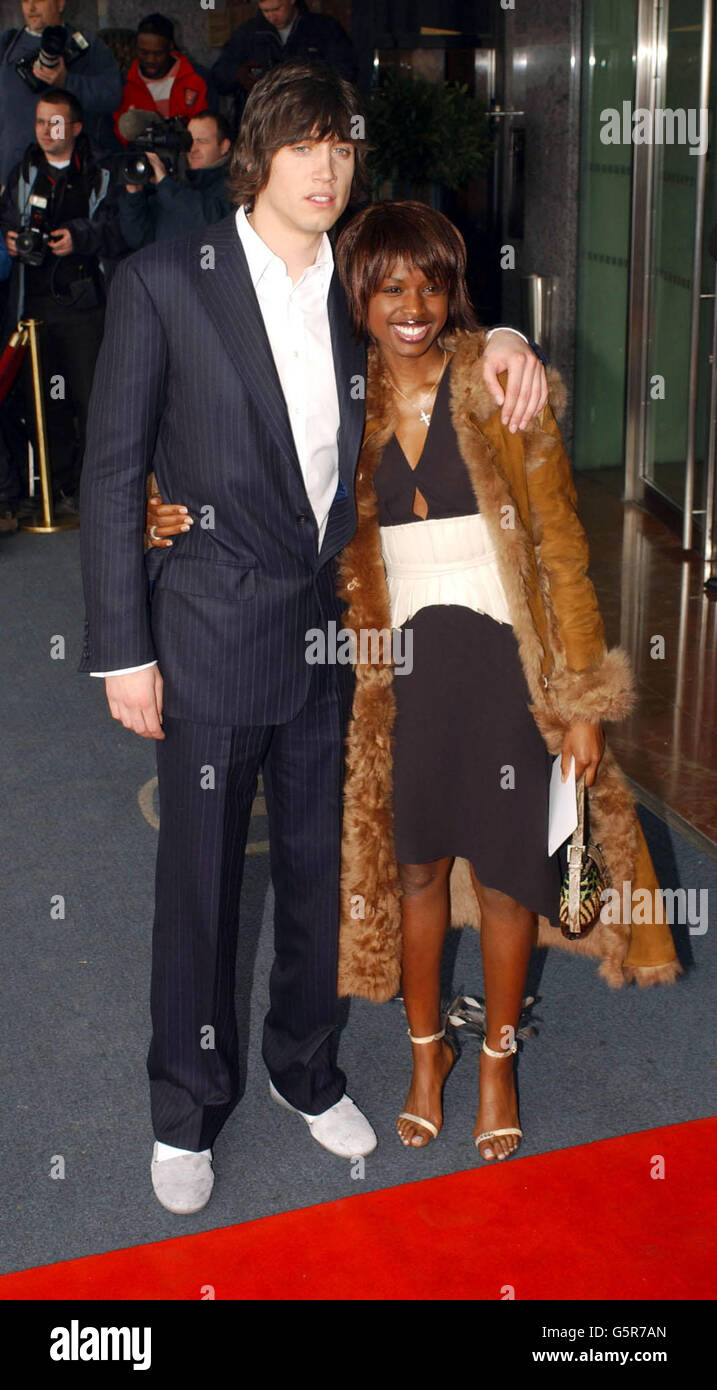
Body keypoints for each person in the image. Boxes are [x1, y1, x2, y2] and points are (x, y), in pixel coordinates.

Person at [78, 59, 548, 1216]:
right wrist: (122, 648)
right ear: (257, 156)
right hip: (206, 630)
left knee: (319, 875)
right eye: (303, 144)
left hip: (335, 636)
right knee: (199, 888)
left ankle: (305, 1064)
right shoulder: (165, 282)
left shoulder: (356, 282)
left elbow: (439, 314)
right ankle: (185, 1107)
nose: (326, 166)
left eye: (341, 145)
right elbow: (112, 473)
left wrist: (509, 335)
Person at [147, 197, 681, 1166]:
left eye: (432, 286)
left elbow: (562, 551)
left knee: (510, 879)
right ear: (358, 294)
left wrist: (583, 704)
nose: (413, 307)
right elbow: (247, 466)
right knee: (417, 873)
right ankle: (427, 1053)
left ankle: (498, 1062)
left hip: (507, 673)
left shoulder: (497, 385)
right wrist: (163, 503)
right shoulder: (341, 397)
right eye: (391, 287)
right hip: (397, 683)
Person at [0, 88, 124, 515]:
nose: (45, 131)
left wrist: (80, 237)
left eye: (54, 123)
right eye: (40, 122)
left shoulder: (100, 171)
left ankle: (95, 494)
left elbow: (121, 229)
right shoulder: (24, 172)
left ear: (75, 128)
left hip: (85, 307)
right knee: (44, 402)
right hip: (34, 310)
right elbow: (6, 220)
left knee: (92, 402)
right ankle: (55, 489)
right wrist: (10, 240)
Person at [0, 0, 122, 188]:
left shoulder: (86, 46)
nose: (31, 7)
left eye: (39, 0)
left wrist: (67, 81)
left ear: (60, 4)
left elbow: (112, 97)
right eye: (25, 0)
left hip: (72, 181)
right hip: (14, 178)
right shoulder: (7, 45)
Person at [212, 1, 356, 132]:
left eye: (276, 9)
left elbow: (346, 73)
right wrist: (238, 75)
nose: (271, 16)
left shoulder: (324, 29)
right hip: (261, 125)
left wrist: (308, 82)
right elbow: (219, 77)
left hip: (311, 120)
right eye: (265, 11)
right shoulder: (247, 34)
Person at [119, 111, 232, 250]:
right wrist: (135, 195)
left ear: (224, 146)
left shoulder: (237, 185)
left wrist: (165, 184)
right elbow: (139, 239)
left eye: (202, 141)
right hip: (165, 262)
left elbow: (211, 222)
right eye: (189, 141)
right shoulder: (176, 182)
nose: (193, 148)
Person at [113, 12, 207, 146]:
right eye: (144, 53)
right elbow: (117, 135)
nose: (150, 60)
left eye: (158, 54)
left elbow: (208, 130)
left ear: (170, 47)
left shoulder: (196, 79)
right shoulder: (123, 84)